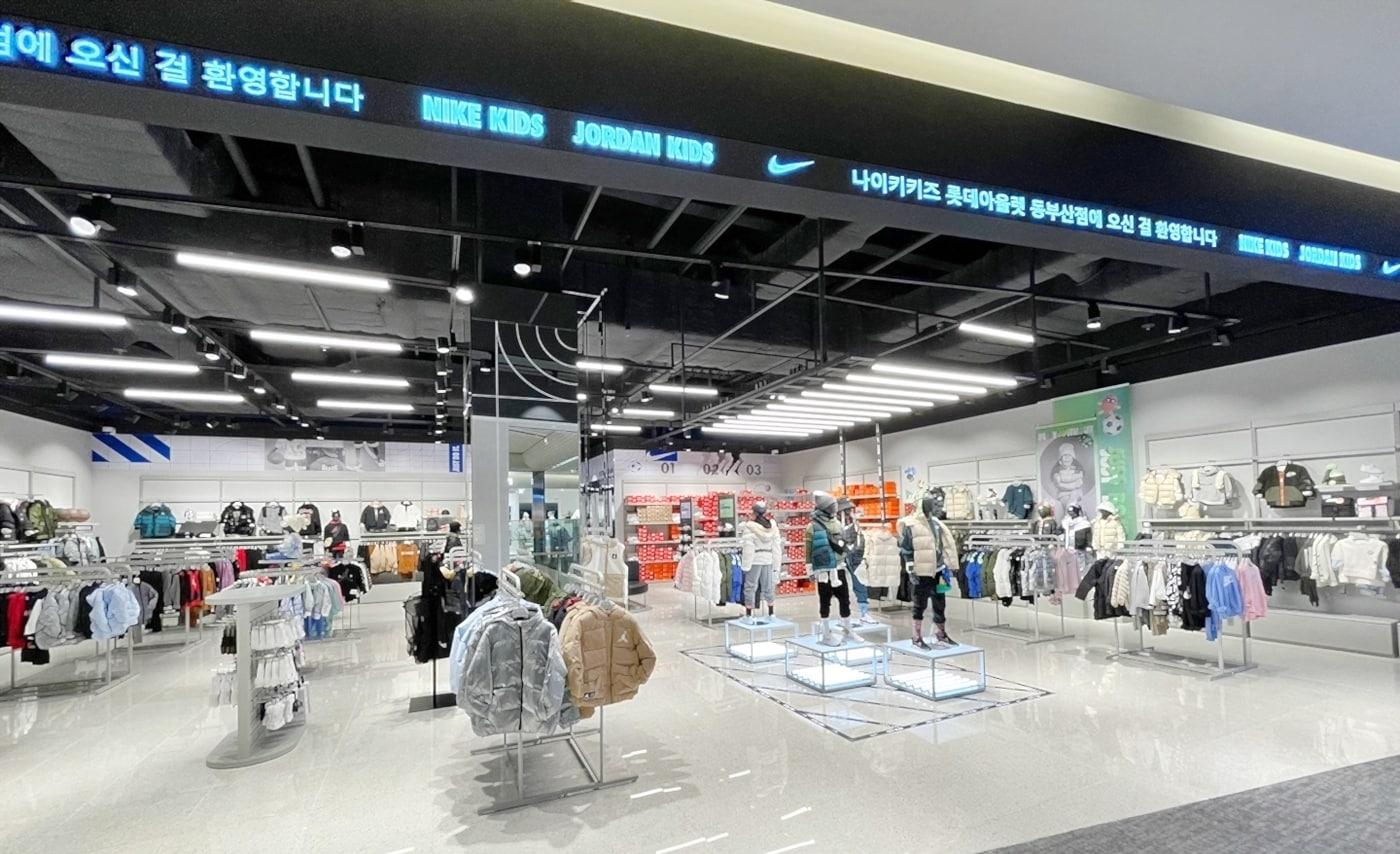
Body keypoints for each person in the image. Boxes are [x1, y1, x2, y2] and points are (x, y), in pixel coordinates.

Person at [898, 491, 960, 649]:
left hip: (939, 571)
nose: (934, 506)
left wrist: (949, 564)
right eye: (930, 503)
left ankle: (941, 633)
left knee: (940, 603)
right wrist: (911, 568)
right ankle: (916, 637)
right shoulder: (910, 525)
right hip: (922, 572)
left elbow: (944, 545)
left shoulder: (937, 524)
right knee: (919, 605)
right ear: (922, 505)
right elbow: (906, 549)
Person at [805, 492, 853, 646]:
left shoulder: (837, 523)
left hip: (839, 568)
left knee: (845, 599)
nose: (835, 508)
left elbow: (842, 543)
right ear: (826, 508)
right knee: (825, 602)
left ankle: (848, 630)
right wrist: (810, 570)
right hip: (823, 570)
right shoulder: (811, 527)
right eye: (832, 506)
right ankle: (826, 634)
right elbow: (808, 550)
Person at [837, 498, 876, 625]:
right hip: (842, 556)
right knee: (841, 586)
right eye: (847, 510)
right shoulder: (836, 523)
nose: (850, 512)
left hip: (855, 555)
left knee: (860, 582)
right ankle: (844, 615)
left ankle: (864, 612)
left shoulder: (853, 522)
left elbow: (859, 538)